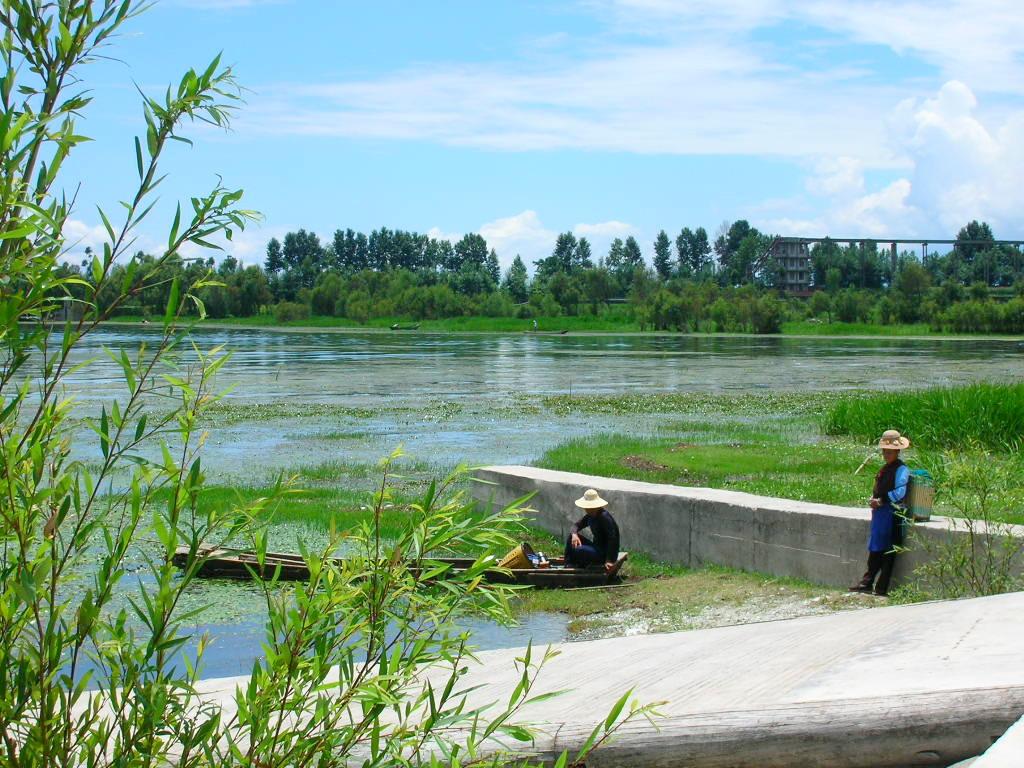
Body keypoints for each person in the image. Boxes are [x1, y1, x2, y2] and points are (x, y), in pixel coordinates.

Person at [850, 429, 911, 597]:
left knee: (888, 550)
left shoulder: (901, 470)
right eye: (885, 451)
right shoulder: (886, 468)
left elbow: (900, 492)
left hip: (891, 514)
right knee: (876, 548)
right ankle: (867, 583)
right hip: (880, 515)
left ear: (897, 451)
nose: (886, 454)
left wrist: (882, 500)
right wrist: (874, 498)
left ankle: (881, 587)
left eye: (889, 451)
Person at [565, 488, 622, 573]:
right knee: (571, 538)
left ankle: (574, 563)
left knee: (577, 550)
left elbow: (613, 539)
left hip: (603, 554)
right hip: (596, 548)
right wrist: (574, 534)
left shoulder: (604, 517)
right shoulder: (590, 516)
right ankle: (569, 563)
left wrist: (609, 560)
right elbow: (576, 525)